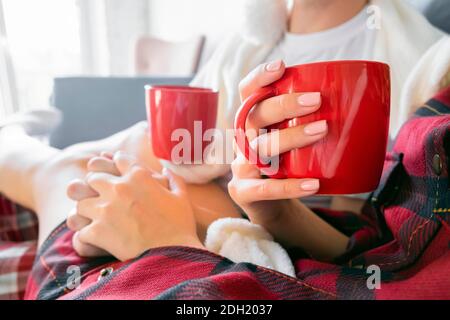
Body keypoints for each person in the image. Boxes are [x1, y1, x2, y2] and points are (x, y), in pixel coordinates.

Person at [0, 0, 448, 299]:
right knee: (110, 152)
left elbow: (365, 235)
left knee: (64, 170)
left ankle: (18, 141)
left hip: (226, 216)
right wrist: (271, 205)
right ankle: (24, 141)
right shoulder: (248, 44)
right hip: (230, 200)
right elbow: (362, 246)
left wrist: (173, 243)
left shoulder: (420, 57)